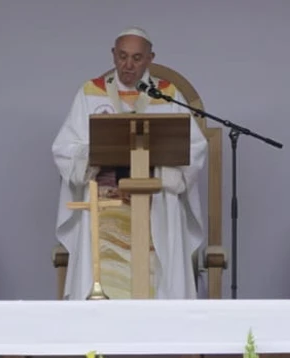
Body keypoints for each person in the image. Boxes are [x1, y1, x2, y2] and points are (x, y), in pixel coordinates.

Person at [52, 27, 208, 301]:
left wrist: (166, 175)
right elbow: (65, 148)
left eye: (137, 58)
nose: (128, 65)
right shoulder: (90, 94)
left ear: (150, 58)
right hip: (105, 202)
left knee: (155, 278)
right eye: (122, 56)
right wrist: (94, 153)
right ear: (113, 55)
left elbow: (194, 147)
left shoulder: (167, 95)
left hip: (156, 201)